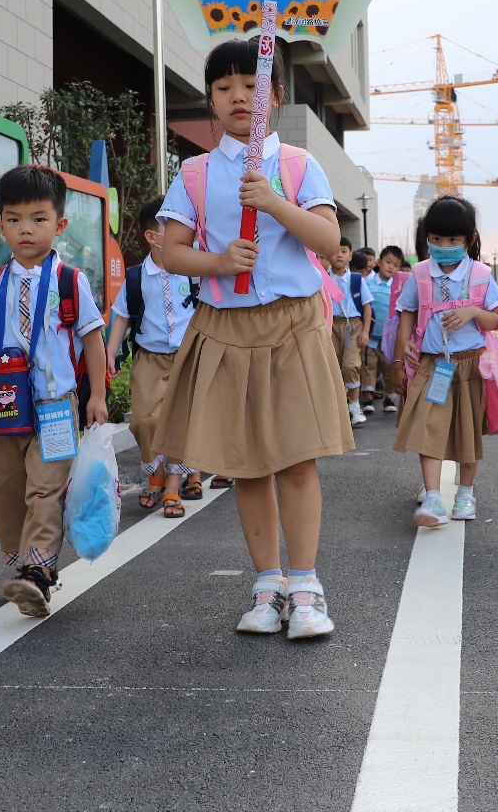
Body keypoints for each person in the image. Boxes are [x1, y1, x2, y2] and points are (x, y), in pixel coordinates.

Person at [154, 37, 353, 640]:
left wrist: (273, 202)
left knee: (296, 461)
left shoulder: (296, 165)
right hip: (225, 328)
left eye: (251, 84)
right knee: (245, 468)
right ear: (210, 102)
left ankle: (306, 587)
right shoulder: (193, 172)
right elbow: (169, 251)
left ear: (276, 95)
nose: (239, 96)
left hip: (292, 323)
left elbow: (325, 240)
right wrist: (218, 262)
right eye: (223, 88)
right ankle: (266, 586)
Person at [0, 165, 109, 616]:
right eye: (13, 219)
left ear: (59, 225)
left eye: (38, 218)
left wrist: (97, 397)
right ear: (0, 226)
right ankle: (22, 569)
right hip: (0, 403)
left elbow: (93, 340)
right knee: (6, 489)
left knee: (46, 489)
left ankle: (37, 572)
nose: (26, 230)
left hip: (54, 404)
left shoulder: (70, 282)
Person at [394, 196, 498, 527]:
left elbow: (496, 320)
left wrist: (473, 311)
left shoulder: (481, 274)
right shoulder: (419, 273)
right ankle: (432, 497)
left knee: (468, 431)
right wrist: (404, 342)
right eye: (437, 239)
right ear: (427, 237)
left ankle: (465, 493)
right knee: (427, 426)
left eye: (453, 240)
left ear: (469, 240)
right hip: (432, 364)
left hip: (470, 364)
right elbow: (407, 310)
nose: (444, 246)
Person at [105, 198, 201, 518]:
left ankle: (171, 488)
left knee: (179, 421)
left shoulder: (194, 270)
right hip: (149, 357)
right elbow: (121, 316)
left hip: (188, 356)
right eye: (174, 229)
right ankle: (157, 472)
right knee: (145, 420)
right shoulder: (136, 277)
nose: (184, 235)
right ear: (152, 237)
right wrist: (111, 355)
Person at [327, 238, 372, 426]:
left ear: (350, 256)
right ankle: (340, 406)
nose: (339, 255)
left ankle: (354, 405)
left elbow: (367, 306)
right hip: (331, 325)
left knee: (350, 365)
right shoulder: (323, 278)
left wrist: (366, 331)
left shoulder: (356, 279)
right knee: (334, 367)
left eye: (343, 251)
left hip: (353, 326)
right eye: (335, 250)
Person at [362, 246, 402, 413]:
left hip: (389, 338)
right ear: (379, 262)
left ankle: (389, 398)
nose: (391, 267)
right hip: (371, 335)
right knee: (368, 366)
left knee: (388, 368)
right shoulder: (367, 284)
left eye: (396, 264)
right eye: (388, 262)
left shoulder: (399, 288)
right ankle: (369, 399)